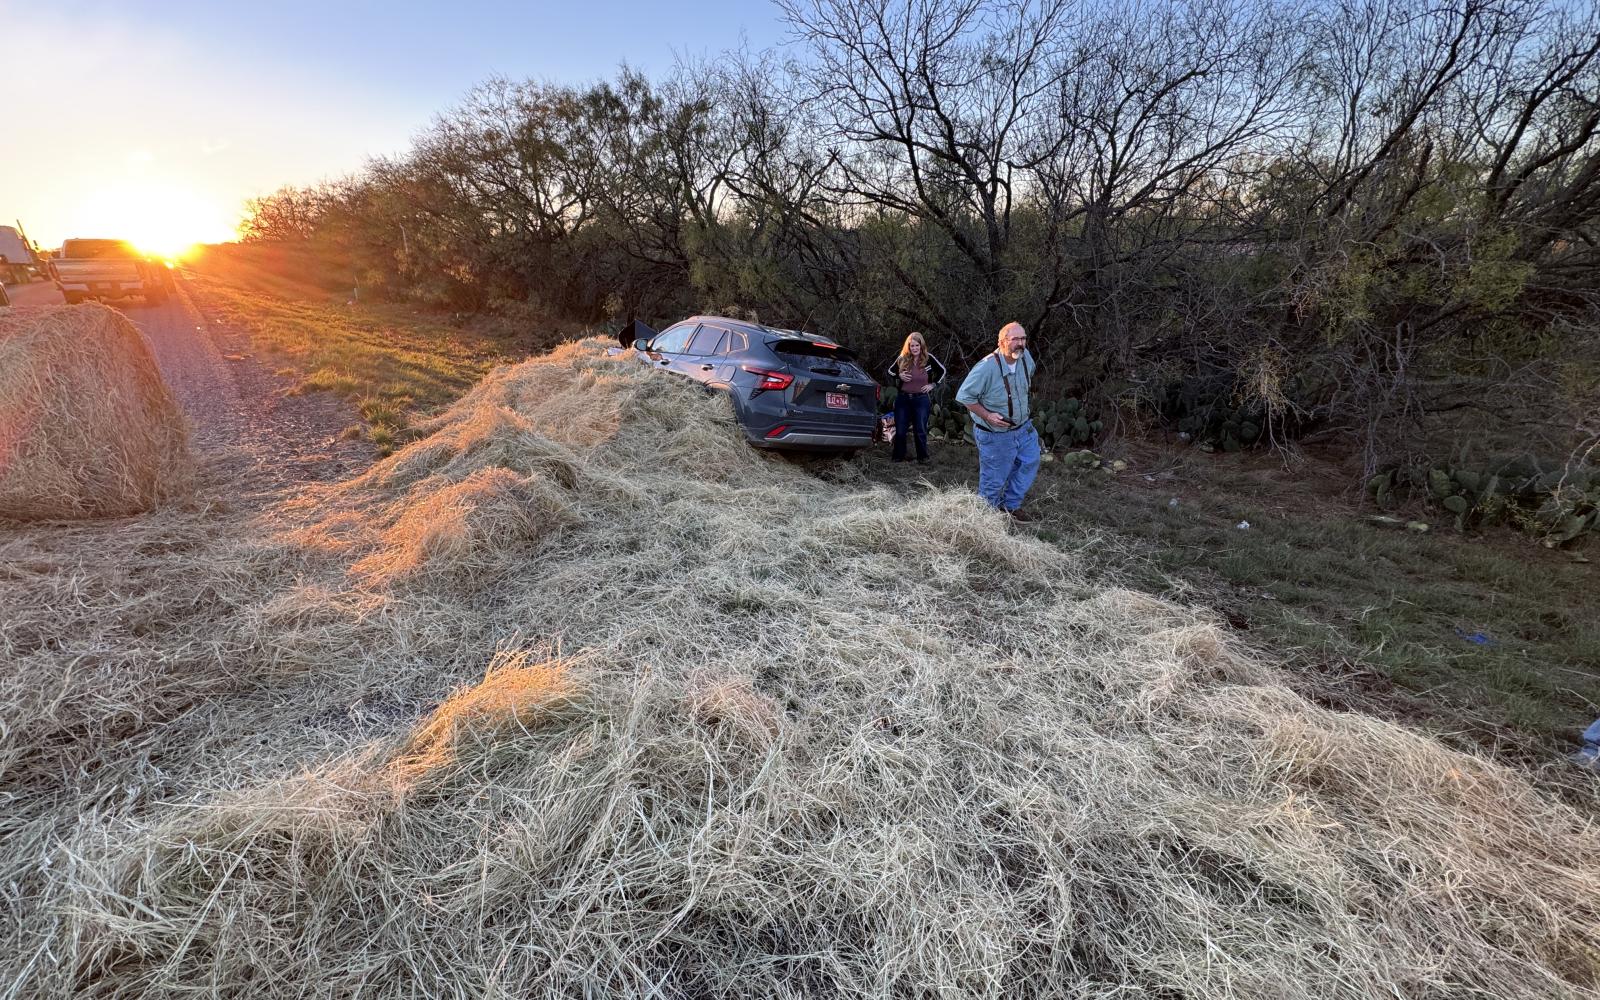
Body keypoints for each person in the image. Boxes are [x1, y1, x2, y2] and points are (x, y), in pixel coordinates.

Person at [954, 321, 1041, 520]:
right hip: (995, 435)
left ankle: (1010, 506)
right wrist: (987, 415)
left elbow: (1027, 379)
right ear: (1002, 342)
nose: (1021, 343)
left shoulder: (1025, 357)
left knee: (1029, 462)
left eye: (1023, 338)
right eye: (1015, 339)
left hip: (1023, 429)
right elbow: (964, 396)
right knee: (994, 480)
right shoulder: (985, 368)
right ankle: (985, 519)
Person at [885, 331, 946, 462]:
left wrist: (933, 384)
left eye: (917, 345)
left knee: (920, 429)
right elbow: (890, 371)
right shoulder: (902, 358)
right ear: (908, 347)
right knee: (901, 430)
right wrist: (899, 375)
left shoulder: (929, 358)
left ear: (921, 346)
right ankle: (898, 457)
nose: (914, 348)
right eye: (912, 346)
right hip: (903, 399)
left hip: (921, 399)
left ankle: (923, 458)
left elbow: (942, 371)